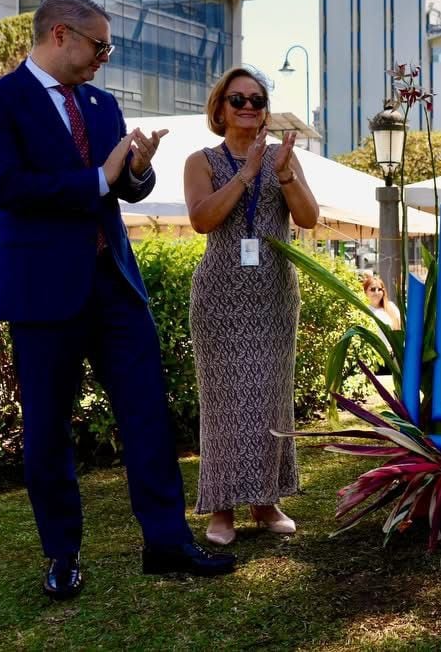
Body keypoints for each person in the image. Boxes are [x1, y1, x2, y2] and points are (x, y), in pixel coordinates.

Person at [0, 0, 233, 602]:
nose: (105, 58)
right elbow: (9, 188)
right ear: (61, 34)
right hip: (42, 295)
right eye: (100, 46)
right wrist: (100, 177)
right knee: (47, 430)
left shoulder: (102, 104)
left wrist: (137, 168)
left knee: (148, 415)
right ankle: (62, 555)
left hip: (115, 285)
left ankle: (166, 543)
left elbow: (126, 190)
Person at [185, 67, 320, 546]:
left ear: (265, 111)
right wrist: (245, 175)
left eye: (257, 100)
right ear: (220, 109)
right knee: (223, 403)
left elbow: (309, 217)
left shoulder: (285, 157)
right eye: (238, 99)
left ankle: (266, 501)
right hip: (220, 297)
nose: (248, 106)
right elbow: (202, 220)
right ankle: (221, 509)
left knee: (269, 397)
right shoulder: (201, 161)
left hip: (273, 296)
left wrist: (282, 173)